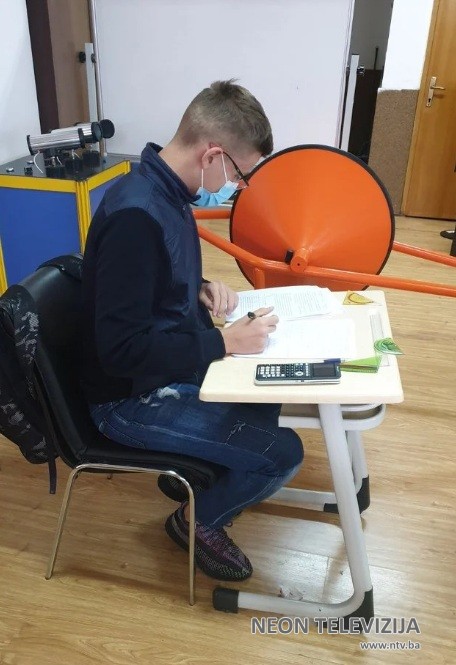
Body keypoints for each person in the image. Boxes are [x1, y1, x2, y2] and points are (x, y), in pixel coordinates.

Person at [81, 80, 304, 582]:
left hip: (163, 369)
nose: (238, 186)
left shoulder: (168, 193)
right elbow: (120, 351)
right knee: (282, 455)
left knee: (263, 392)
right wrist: (223, 341)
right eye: (240, 174)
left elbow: (148, 277)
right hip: (127, 399)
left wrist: (198, 287)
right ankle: (194, 521)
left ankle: (195, 472)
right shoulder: (136, 216)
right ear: (213, 155)